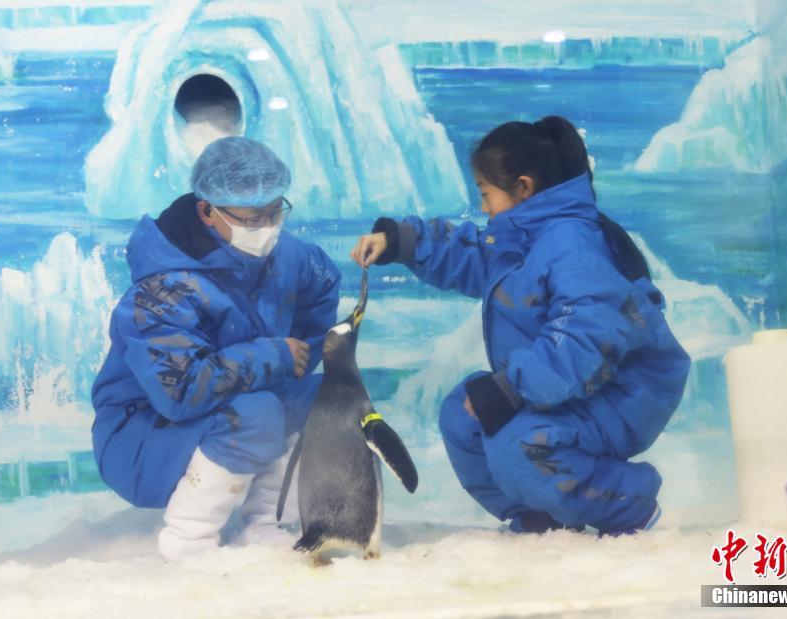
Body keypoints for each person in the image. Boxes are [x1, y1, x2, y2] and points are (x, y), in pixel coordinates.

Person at [351, 116, 691, 535]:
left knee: (521, 445)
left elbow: (583, 341)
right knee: (463, 416)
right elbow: (471, 254)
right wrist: (400, 242)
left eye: (485, 193)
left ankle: (628, 505)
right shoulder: (524, 237)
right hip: (567, 385)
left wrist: (510, 388)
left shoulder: (574, 246)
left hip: (617, 392)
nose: (482, 207)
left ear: (524, 188)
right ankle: (537, 515)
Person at [91, 136, 340, 560]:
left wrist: (299, 357)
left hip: (234, 401)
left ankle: (264, 524)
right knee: (256, 413)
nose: (266, 227)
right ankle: (189, 541)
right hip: (143, 435)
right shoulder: (162, 290)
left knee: (331, 401)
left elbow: (322, 284)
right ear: (207, 210)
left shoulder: (288, 255)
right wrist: (274, 356)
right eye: (251, 218)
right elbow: (180, 392)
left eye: (275, 212)